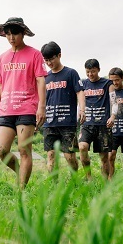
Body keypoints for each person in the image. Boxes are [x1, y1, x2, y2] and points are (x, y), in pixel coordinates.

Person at [0, 17, 47, 188]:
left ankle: (22, 190)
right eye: (8, 33)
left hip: (27, 108)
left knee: (24, 150)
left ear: (23, 33)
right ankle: (20, 171)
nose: (11, 37)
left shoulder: (34, 54)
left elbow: (40, 81)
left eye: (15, 33)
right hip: (6, 109)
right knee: (1, 150)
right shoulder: (2, 58)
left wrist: (41, 107)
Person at [41, 41, 85, 173]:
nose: (49, 63)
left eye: (51, 59)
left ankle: (75, 180)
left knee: (69, 156)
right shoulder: (45, 77)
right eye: (46, 60)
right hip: (49, 123)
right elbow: (41, 98)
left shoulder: (71, 73)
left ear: (59, 55)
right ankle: (54, 188)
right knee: (51, 156)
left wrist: (82, 109)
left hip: (67, 123)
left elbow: (80, 91)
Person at [78, 59, 116, 180]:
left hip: (103, 125)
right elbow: (80, 102)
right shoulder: (83, 84)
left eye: (93, 71)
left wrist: (113, 116)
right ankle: (89, 178)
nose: (90, 74)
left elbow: (114, 102)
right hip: (87, 124)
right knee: (82, 147)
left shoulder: (107, 84)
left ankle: (106, 183)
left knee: (104, 157)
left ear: (98, 70)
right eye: (88, 72)